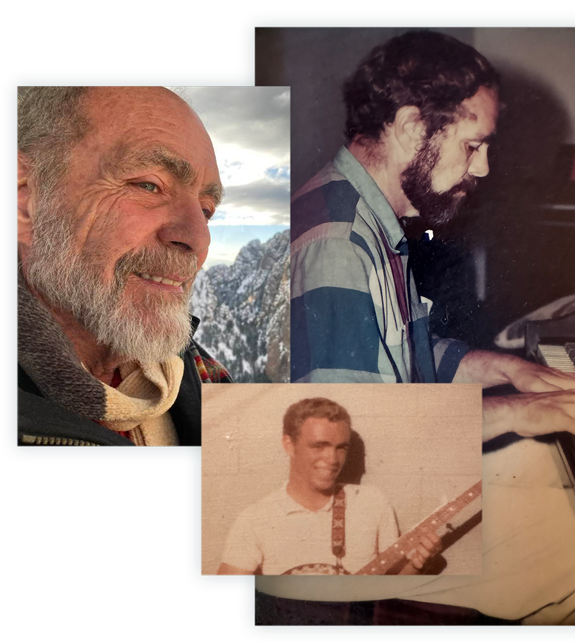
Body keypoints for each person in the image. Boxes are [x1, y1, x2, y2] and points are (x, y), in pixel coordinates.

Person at [290, 31, 575, 449]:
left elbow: (399, 357)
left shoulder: (360, 212)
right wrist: (513, 410)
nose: (484, 168)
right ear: (412, 128)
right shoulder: (339, 244)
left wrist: (506, 369)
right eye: (473, 146)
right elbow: (350, 434)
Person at [17, 86, 232, 448]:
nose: (199, 240)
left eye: (206, 210)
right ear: (24, 198)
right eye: (149, 185)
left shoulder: (201, 374)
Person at [217, 397, 441, 576]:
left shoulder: (373, 502)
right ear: (289, 445)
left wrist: (418, 563)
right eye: (319, 446)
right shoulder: (255, 519)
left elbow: (393, 587)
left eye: (341, 448)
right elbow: (222, 602)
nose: (333, 459)